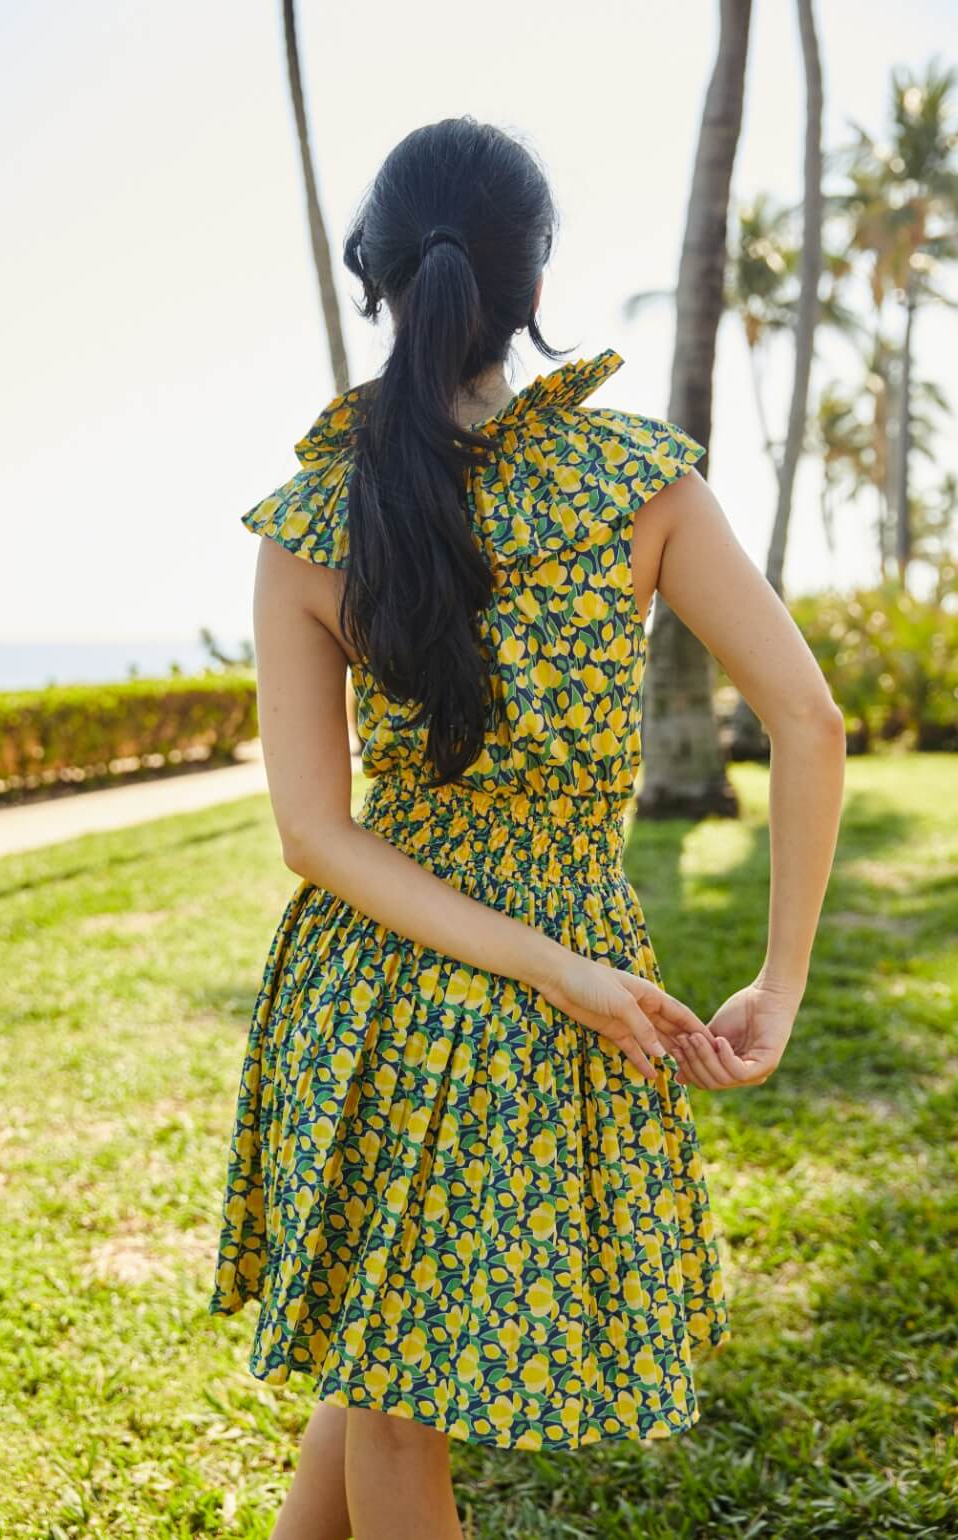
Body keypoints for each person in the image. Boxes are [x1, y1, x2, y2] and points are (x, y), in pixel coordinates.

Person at [208, 115, 847, 1540]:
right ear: (531, 280)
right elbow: (810, 723)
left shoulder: (311, 520)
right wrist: (775, 983)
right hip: (573, 968)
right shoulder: (639, 482)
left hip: (377, 981)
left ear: (374, 272)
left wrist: (554, 976)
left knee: (387, 1380)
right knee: (388, 1375)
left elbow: (315, 835)